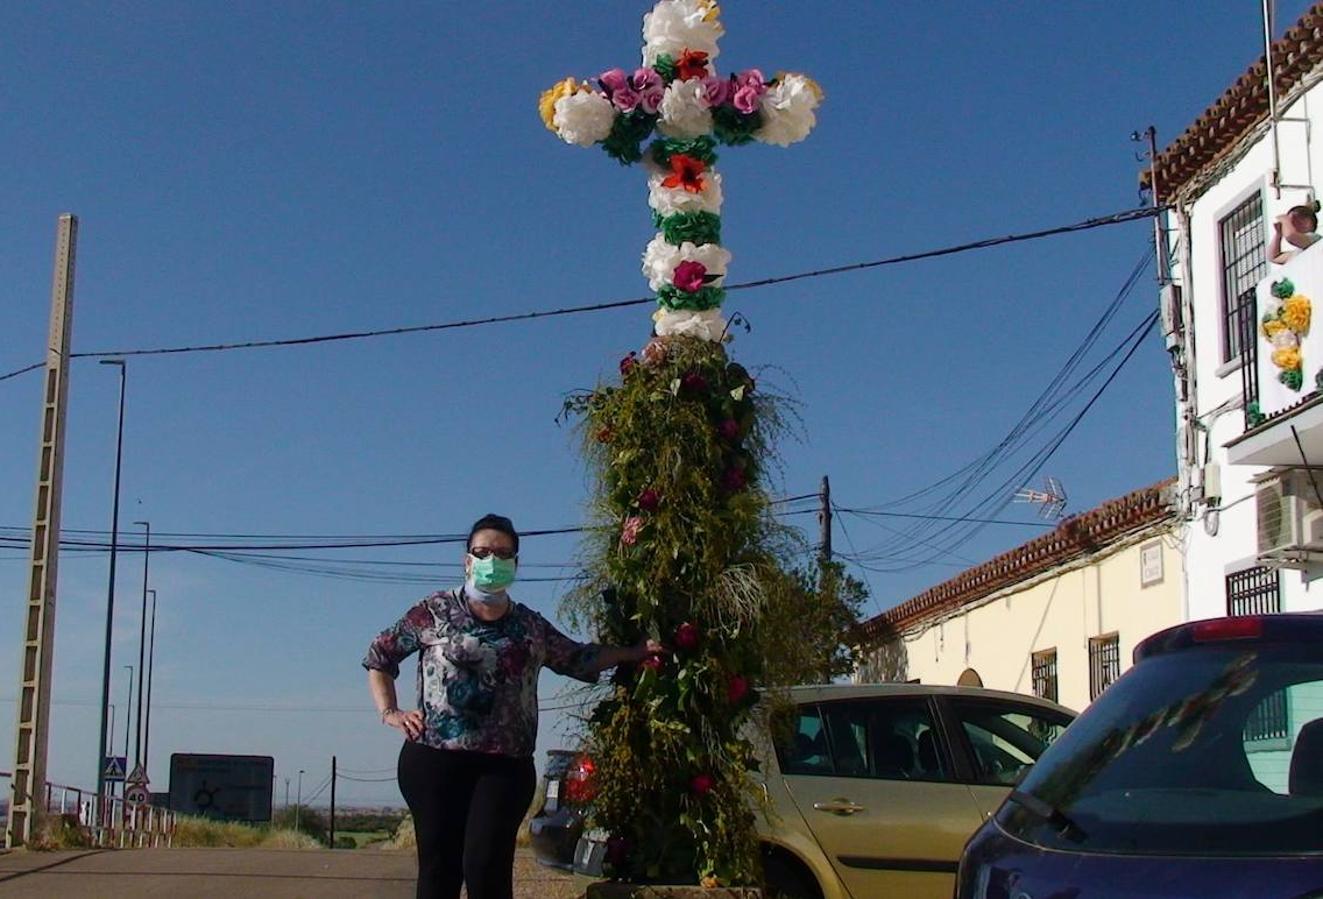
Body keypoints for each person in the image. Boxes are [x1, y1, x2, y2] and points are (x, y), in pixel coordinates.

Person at [364, 513, 659, 899]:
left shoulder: (529, 626)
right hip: (434, 760)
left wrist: (632, 653)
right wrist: (391, 712)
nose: (492, 561)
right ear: (467, 561)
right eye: (483, 552)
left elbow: (577, 658)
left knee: (486, 867)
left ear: (515, 564)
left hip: (505, 766)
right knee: (439, 871)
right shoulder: (433, 611)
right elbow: (380, 656)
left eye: (503, 554)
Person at [1270, 200, 1322, 264]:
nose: (1289, 226)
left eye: (1293, 221)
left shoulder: (1315, 239)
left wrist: (1284, 219)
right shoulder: (1297, 252)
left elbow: (1291, 236)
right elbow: (1274, 257)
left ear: (1307, 223)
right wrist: (1278, 234)